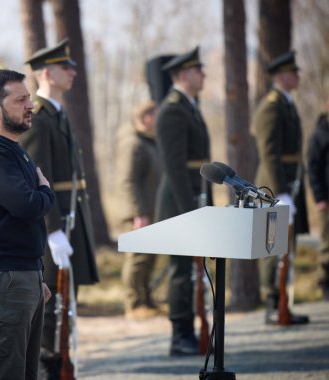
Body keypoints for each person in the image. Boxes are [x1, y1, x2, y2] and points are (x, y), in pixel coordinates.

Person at [20, 38, 99, 379]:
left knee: (67, 297)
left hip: (70, 216)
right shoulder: (39, 118)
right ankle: (47, 366)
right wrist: (50, 228)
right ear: (48, 73)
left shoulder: (58, 113)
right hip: (54, 220)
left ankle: (61, 362)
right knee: (51, 299)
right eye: (67, 67)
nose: (73, 72)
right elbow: (40, 177)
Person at [0, 69, 54, 379]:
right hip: (4, 282)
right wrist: (44, 190)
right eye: (20, 100)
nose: (29, 105)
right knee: (4, 374)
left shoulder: (12, 148)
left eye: (29, 97)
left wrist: (34, 274)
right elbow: (27, 205)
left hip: (22, 276)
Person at [154, 46, 211, 356]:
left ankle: (190, 331)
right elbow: (175, 166)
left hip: (193, 195)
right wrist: (191, 212)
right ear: (185, 74)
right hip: (179, 201)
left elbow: (198, 162)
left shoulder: (188, 105)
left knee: (193, 270)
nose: (204, 74)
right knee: (180, 269)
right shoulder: (173, 109)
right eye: (199, 69)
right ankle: (180, 334)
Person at [253, 50, 310, 324]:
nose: (298, 76)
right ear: (280, 76)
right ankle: (273, 303)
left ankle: (284, 300)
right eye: (293, 71)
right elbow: (269, 153)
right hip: (273, 186)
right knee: (272, 244)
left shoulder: (287, 104)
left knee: (287, 245)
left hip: (288, 183)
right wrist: (279, 192)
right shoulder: (271, 107)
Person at [115, 100, 163, 319]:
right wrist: (138, 213)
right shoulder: (132, 143)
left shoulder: (150, 142)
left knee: (149, 257)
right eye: (155, 115)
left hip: (152, 210)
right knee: (137, 259)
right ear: (145, 118)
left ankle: (146, 300)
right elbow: (127, 181)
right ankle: (134, 304)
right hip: (139, 213)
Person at [307, 99, 329, 301]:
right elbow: (313, 168)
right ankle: (325, 284)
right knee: (326, 245)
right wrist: (319, 197)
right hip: (327, 199)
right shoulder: (320, 134)